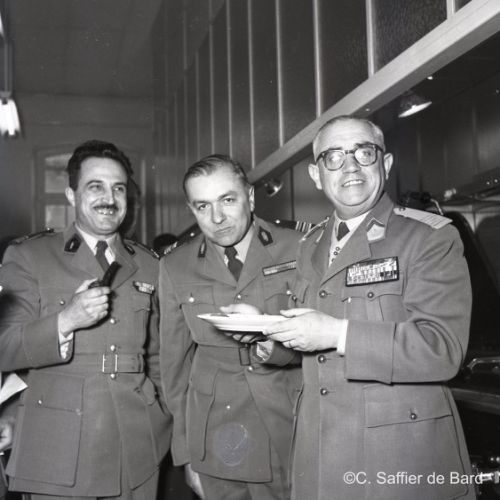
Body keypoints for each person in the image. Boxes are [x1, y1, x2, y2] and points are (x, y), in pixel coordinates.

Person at [263, 116, 475, 500]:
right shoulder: (309, 245)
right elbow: (313, 346)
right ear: (316, 175)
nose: (350, 167)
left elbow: (442, 349)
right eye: (333, 157)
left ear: (386, 163)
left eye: (363, 153)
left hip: (397, 459)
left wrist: (336, 333)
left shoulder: (428, 237)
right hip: (319, 456)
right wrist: (270, 341)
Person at [0, 140, 172, 499]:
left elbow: (159, 358)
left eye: (118, 188)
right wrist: (66, 320)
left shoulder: (149, 264)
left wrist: (159, 417)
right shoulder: (30, 256)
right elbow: (5, 347)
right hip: (58, 449)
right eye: (96, 187)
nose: (109, 198)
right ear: (71, 195)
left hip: (135, 447)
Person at [159, 154, 302, 500]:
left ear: (249, 198)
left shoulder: (299, 248)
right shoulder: (175, 266)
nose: (217, 217)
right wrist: (187, 453)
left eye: (227, 200)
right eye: (202, 206)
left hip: (290, 427)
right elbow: (174, 370)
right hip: (218, 438)